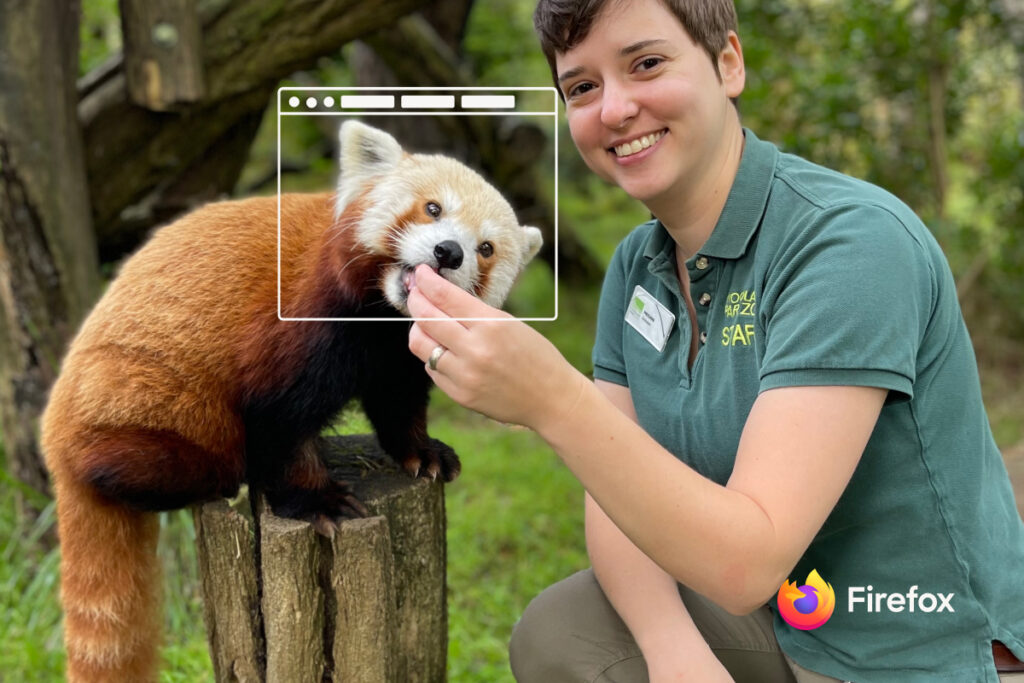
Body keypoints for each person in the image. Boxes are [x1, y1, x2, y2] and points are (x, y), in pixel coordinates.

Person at [405, 0, 1024, 680]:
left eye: (646, 64)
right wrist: (677, 655)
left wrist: (553, 399)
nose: (614, 109)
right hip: (788, 615)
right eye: (582, 86)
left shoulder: (851, 243)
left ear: (728, 63)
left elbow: (747, 559)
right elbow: (615, 499)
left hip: (916, 650)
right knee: (564, 634)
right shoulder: (639, 266)